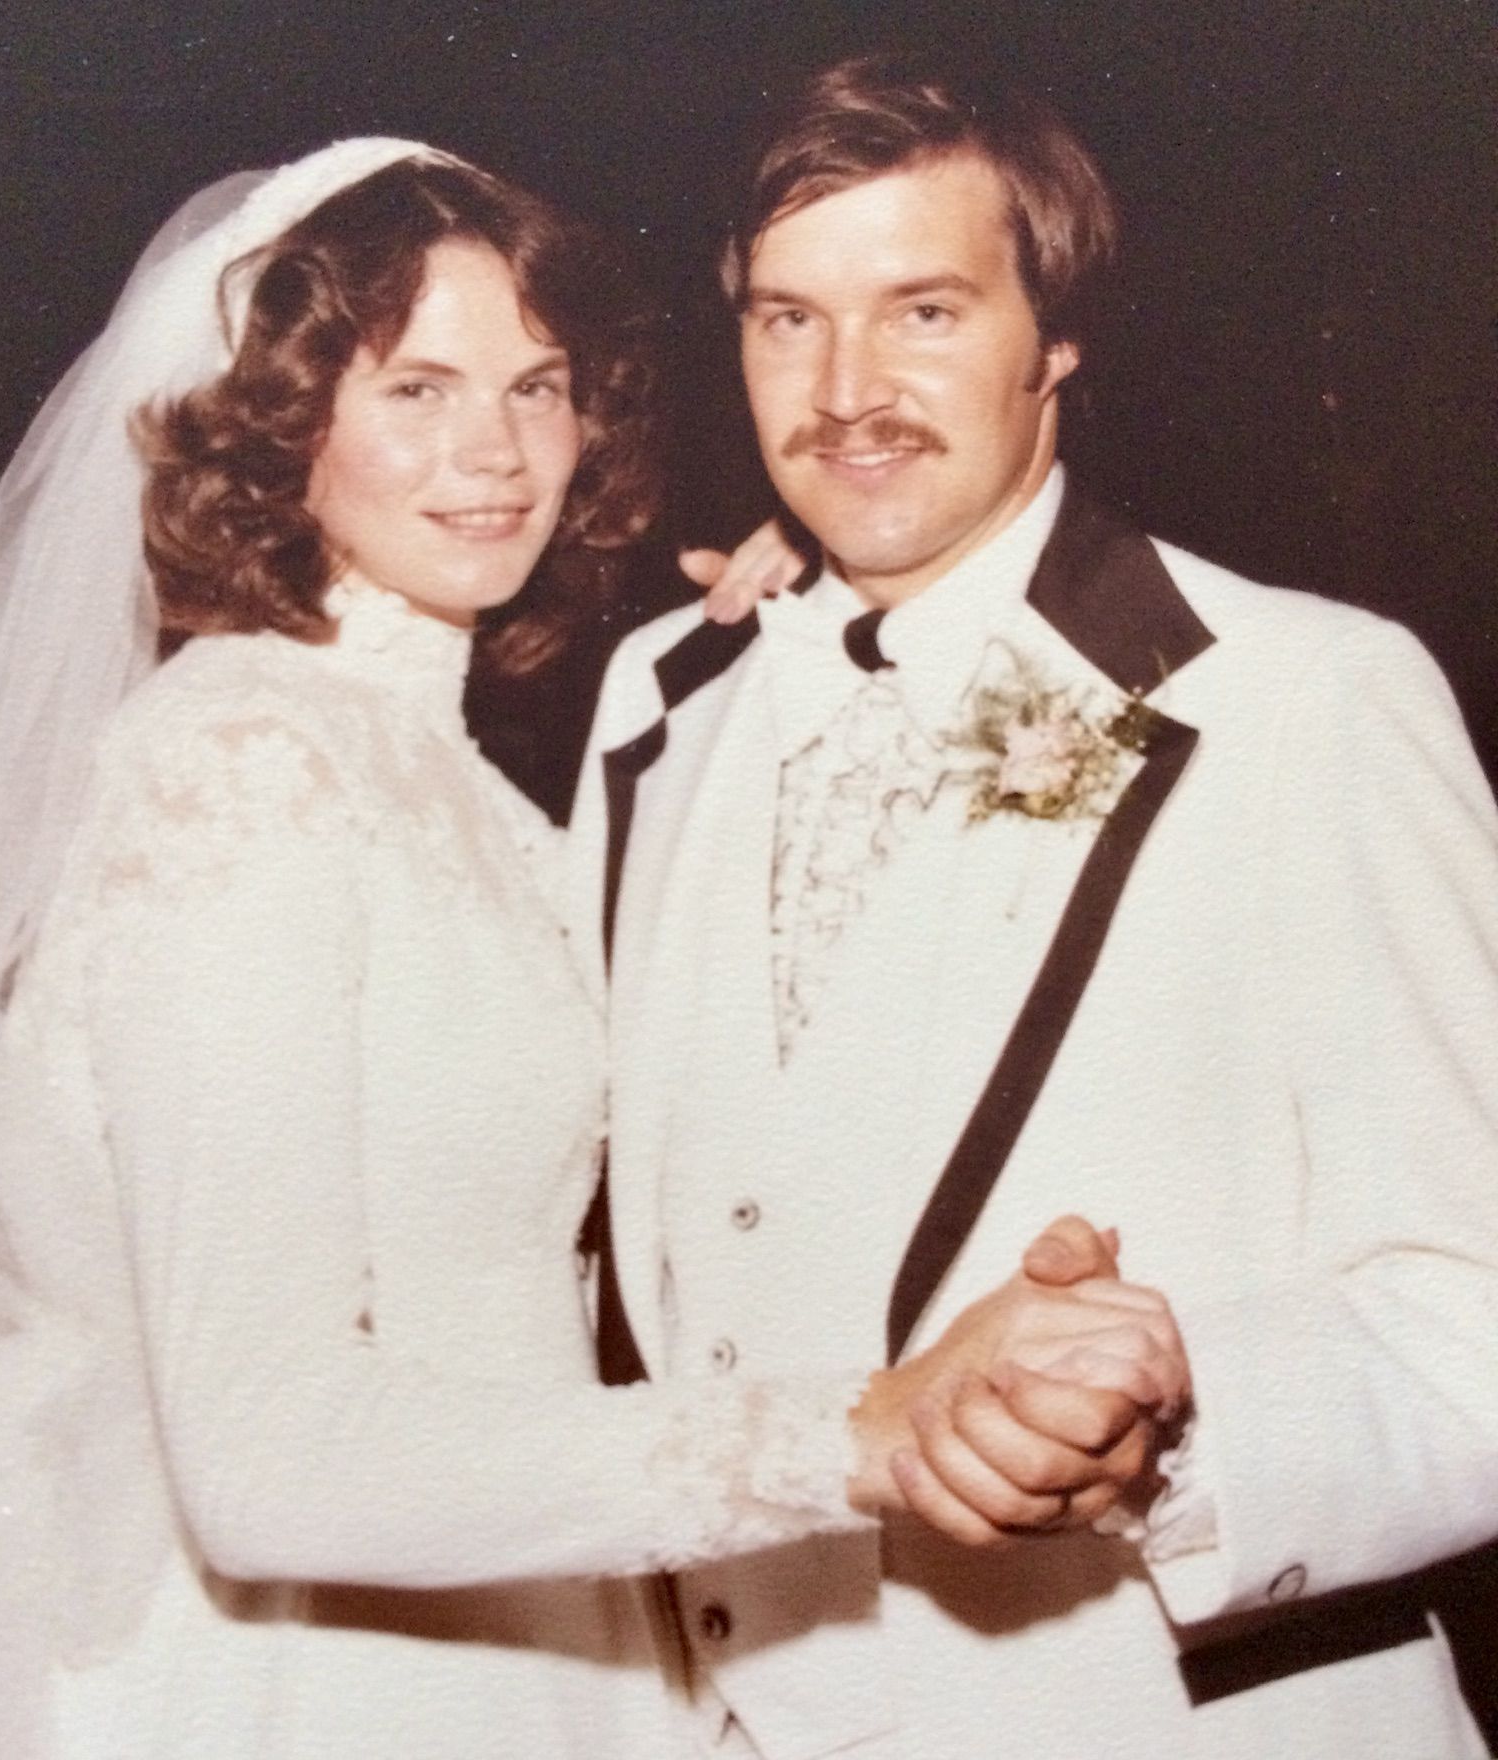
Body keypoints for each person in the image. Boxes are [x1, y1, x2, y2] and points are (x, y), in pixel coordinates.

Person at [0, 139, 1184, 1760]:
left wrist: (813, 607)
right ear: (274, 420)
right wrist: (863, 1437)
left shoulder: (444, 765)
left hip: (534, 1635)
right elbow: (265, 1460)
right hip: (324, 1689)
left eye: (537, 387)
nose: (498, 454)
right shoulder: (238, 767)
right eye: (417, 390)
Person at [572, 51, 1498, 1760]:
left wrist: (1188, 1410)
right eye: (789, 320)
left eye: (923, 310)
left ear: (1053, 336)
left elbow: (1476, 1311)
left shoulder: (1303, 700)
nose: (846, 391)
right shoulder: (661, 705)